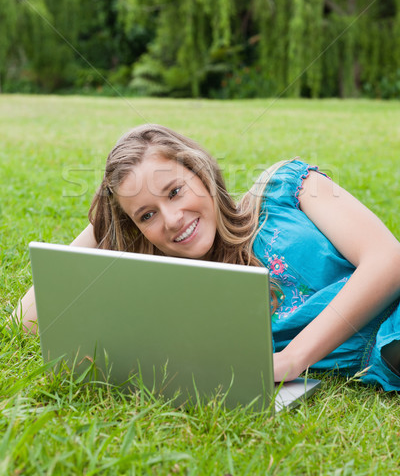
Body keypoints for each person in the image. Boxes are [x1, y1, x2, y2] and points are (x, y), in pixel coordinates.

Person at [14, 124, 400, 388]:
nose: (171, 219)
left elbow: (388, 259)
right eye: (146, 215)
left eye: (175, 191)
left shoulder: (286, 186)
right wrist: (104, 223)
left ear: (200, 172)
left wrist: (292, 359)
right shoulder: (186, 295)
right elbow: (27, 321)